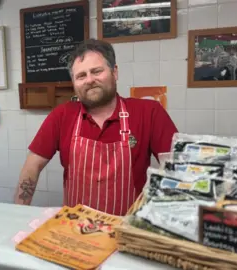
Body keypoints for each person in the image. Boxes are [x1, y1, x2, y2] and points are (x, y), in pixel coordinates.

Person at [14, 39, 178, 215]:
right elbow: (32, 166)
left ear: (114, 72)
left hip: (126, 231)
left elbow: (176, 170)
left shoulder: (149, 112)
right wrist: (16, 214)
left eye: (97, 71)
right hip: (74, 229)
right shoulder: (62, 115)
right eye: (81, 76)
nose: (89, 80)